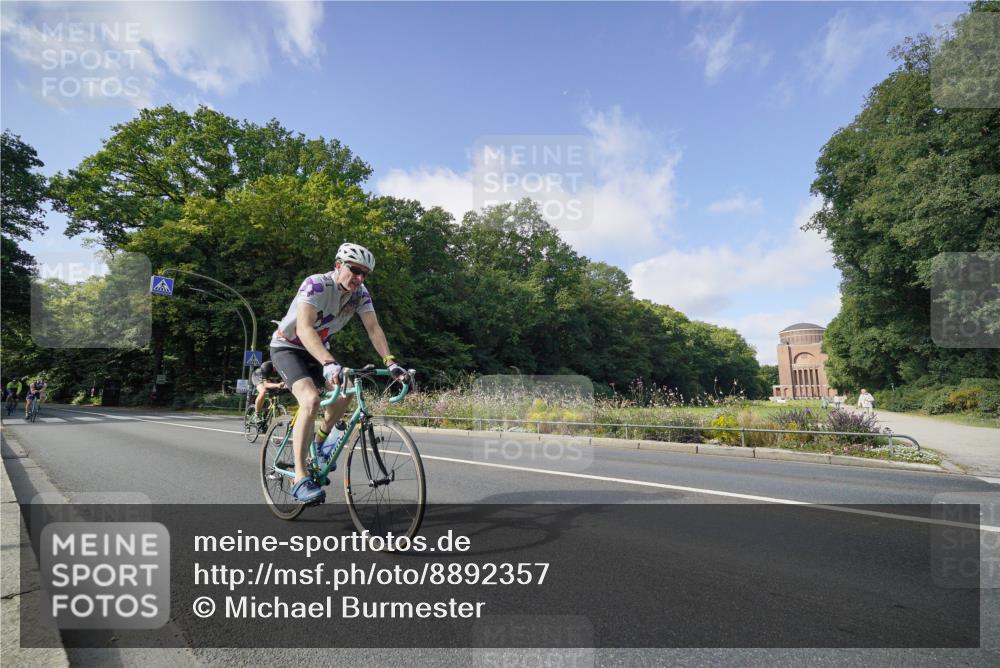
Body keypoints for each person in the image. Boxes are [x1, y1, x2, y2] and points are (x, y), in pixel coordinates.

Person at [270, 242, 408, 504]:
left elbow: (373, 328)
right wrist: (328, 362)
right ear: (338, 266)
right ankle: (299, 478)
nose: (359, 278)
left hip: (318, 350)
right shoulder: (316, 284)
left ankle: (320, 441)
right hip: (288, 346)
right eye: (355, 270)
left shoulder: (360, 294)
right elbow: (304, 329)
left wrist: (390, 362)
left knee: (346, 390)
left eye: (365, 274)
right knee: (310, 400)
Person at [250, 360, 286, 425]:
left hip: (269, 380)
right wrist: (277, 385)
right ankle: (256, 415)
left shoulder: (283, 370)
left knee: (273, 400)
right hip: (257, 377)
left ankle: (265, 418)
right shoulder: (266, 366)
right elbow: (266, 384)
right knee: (263, 391)